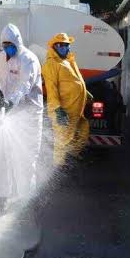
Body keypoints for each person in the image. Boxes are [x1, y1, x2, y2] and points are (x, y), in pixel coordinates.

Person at [0, 24, 43, 210]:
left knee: (26, 159)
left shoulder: (29, 60)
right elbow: (0, 80)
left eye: (10, 45)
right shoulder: (1, 58)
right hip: (8, 114)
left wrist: (11, 101)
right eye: (4, 45)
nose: (7, 49)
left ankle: (25, 201)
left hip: (29, 115)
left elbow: (25, 86)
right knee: (1, 155)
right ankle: (1, 197)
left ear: (18, 42)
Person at [42, 32, 91, 166]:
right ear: (54, 47)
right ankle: (59, 166)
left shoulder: (67, 61)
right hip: (63, 109)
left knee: (83, 131)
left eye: (67, 45)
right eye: (62, 45)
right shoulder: (51, 64)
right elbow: (51, 90)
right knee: (61, 138)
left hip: (75, 108)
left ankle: (71, 155)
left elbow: (75, 80)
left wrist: (85, 91)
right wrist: (58, 109)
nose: (65, 48)